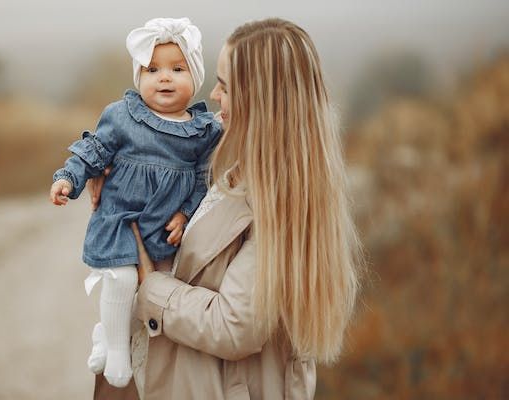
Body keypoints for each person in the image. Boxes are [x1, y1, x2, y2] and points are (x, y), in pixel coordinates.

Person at [90, 18, 361, 399]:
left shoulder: (283, 200)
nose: (214, 95)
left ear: (262, 103)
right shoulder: (238, 163)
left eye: (227, 87)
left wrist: (151, 287)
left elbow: (234, 326)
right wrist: (112, 167)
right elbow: (158, 141)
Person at [49, 17, 221, 388]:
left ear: (197, 76)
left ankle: (110, 335)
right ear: (138, 76)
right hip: (120, 215)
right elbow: (94, 150)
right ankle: (115, 348)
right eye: (152, 69)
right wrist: (67, 178)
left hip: (162, 226)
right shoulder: (123, 116)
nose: (164, 78)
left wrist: (185, 212)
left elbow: (201, 179)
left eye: (177, 69)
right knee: (122, 278)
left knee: (151, 291)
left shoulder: (203, 130)